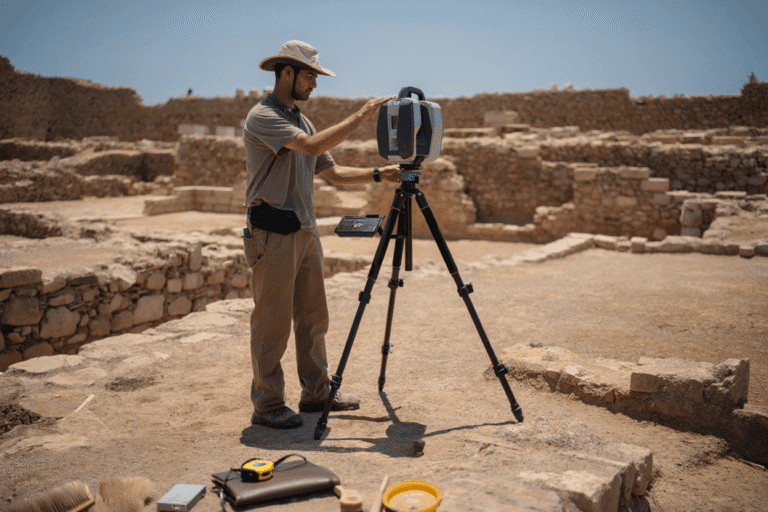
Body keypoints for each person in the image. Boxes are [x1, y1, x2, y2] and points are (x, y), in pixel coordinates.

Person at [243, 40, 400, 429]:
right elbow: (312, 147)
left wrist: (379, 174)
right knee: (273, 320)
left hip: (305, 230)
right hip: (273, 232)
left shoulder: (303, 120)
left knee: (313, 317)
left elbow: (331, 172)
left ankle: (316, 393)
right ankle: (267, 404)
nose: (315, 84)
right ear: (287, 73)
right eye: (310, 75)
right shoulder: (263, 116)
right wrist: (362, 115)